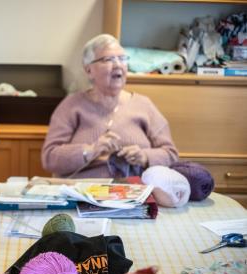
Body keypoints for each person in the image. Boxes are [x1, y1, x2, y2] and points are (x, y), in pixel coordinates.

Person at [41, 34, 178, 178]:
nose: (118, 65)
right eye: (109, 59)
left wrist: (144, 156)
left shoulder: (144, 105)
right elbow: (49, 158)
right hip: (83, 193)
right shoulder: (71, 106)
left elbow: (171, 154)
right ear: (89, 70)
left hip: (133, 194)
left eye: (122, 59)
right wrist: (89, 151)